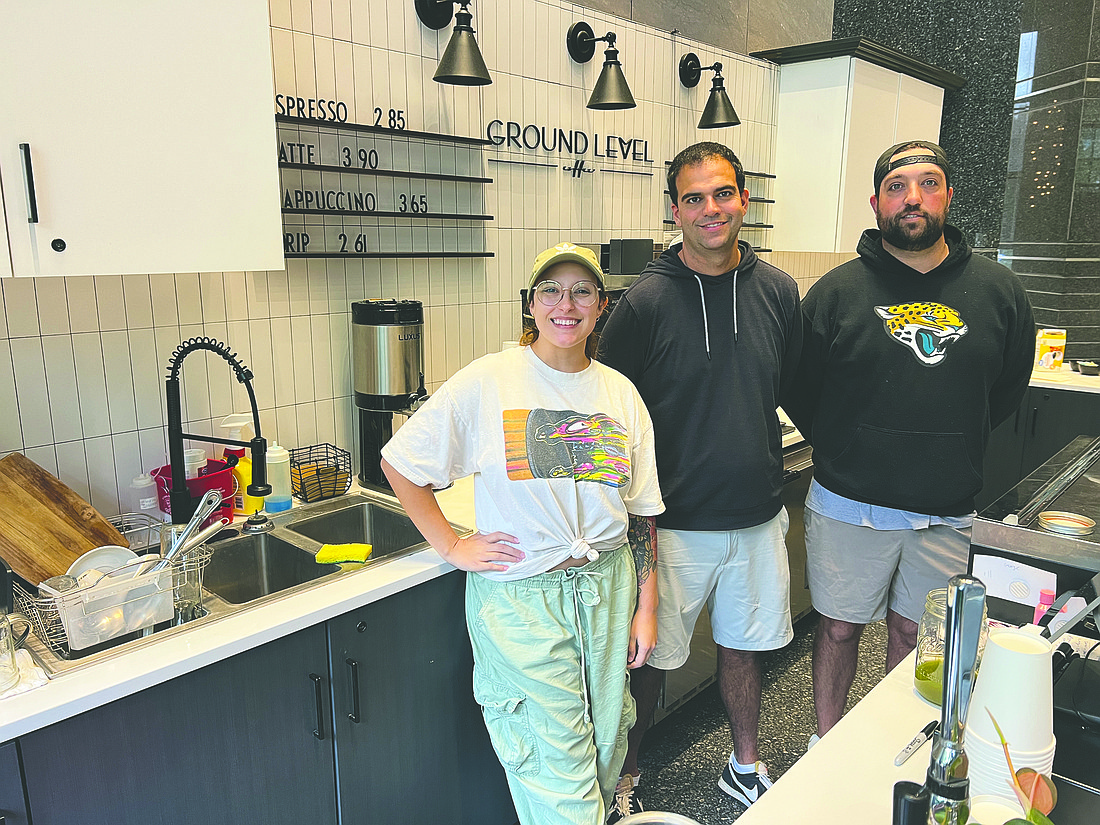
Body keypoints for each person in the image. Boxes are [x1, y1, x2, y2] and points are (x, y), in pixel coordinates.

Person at [380, 242, 665, 825]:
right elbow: (401, 463)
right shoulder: (491, 380)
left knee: (606, 751)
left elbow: (641, 511)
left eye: (582, 290)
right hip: (523, 604)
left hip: (607, 592)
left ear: (601, 305)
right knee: (558, 777)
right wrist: (452, 545)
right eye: (551, 290)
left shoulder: (619, 392)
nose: (567, 303)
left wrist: (647, 603)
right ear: (531, 304)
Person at [784, 140, 1035, 741]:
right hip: (848, 502)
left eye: (927, 183)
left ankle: (890, 744)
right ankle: (827, 743)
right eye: (897, 186)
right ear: (876, 203)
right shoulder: (837, 293)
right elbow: (797, 384)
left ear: (949, 195)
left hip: (944, 509)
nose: (912, 197)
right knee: (839, 628)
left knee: (914, 634)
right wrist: (848, 444)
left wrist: (946, 442)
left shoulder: (998, 292)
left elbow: (1005, 390)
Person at [599, 142, 803, 817]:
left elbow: (798, 387)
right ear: (675, 210)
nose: (710, 209)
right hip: (672, 524)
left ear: (744, 198)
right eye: (694, 198)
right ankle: (626, 775)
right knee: (650, 662)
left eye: (722, 193)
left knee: (745, 653)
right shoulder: (644, 302)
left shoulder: (777, 290)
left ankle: (744, 765)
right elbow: (606, 412)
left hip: (754, 517)